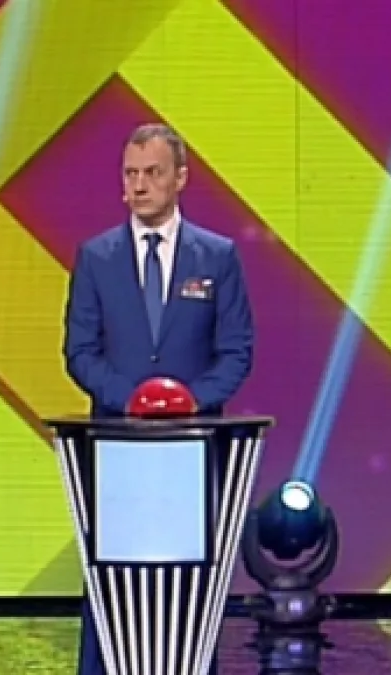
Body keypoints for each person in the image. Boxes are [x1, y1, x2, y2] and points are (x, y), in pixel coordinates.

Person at [62, 123, 253, 674]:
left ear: (180, 178)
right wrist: (133, 402)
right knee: (110, 578)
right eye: (130, 174)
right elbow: (79, 350)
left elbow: (236, 351)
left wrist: (188, 402)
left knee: (192, 578)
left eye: (152, 173)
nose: (139, 185)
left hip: (192, 448)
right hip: (116, 445)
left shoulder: (217, 256)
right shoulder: (95, 257)